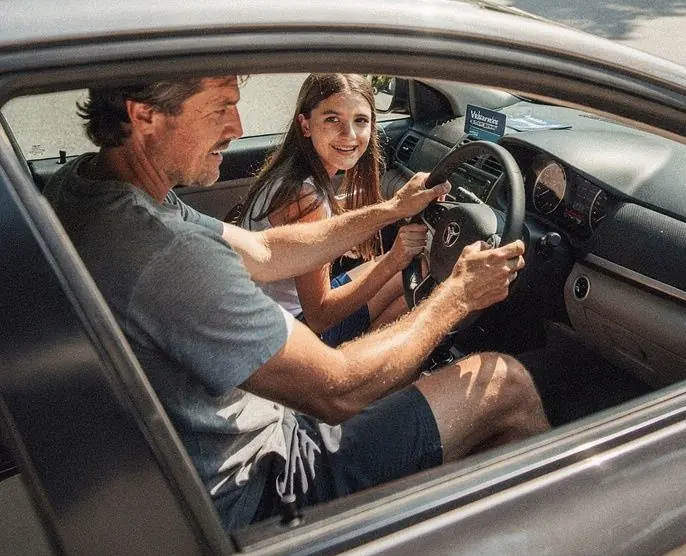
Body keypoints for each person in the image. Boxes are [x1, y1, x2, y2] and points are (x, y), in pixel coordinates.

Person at [44, 75, 548, 532]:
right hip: (257, 486)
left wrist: (392, 210)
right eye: (220, 108)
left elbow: (265, 251)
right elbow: (337, 393)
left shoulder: (96, 187)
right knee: (506, 383)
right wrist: (455, 297)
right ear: (144, 114)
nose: (238, 126)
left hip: (207, 447)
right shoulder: (165, 254)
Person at [236, 73, 427, 345]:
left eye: (360, 120)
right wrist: (393, 259)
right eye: (332, 119)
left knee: (399, 272)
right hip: (290, 333)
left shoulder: (290, 175)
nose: (348, 134)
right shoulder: (304, 198)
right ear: (305, 125)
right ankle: (361, 373)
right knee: (417, 285)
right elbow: (319, 316)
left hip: (272, 316)